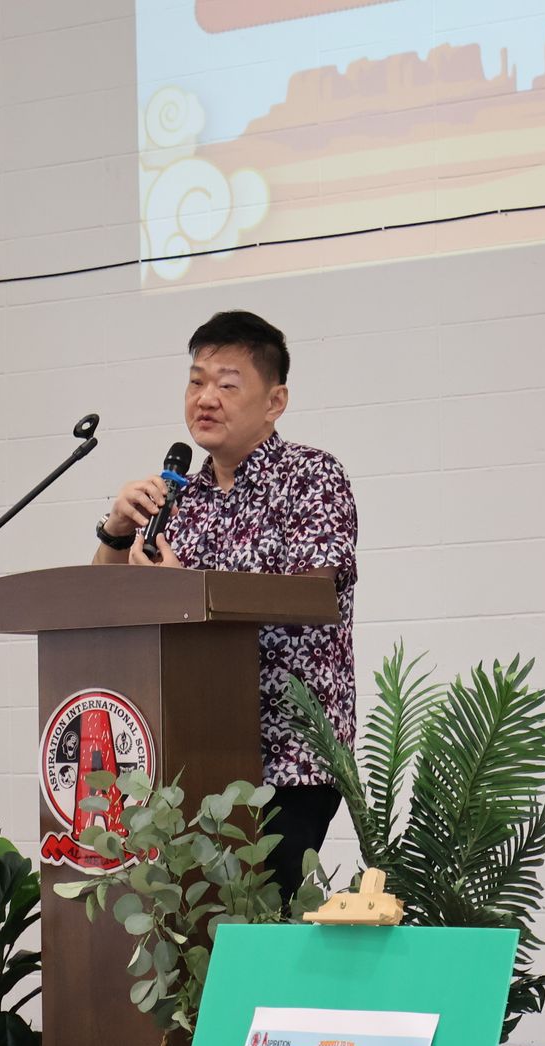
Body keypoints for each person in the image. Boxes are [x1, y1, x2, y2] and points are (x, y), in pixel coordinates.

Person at [93, 311, 357, 901]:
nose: (205, 398)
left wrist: (189, 588)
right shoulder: (179, 498)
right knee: (193, 935)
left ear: (275, 400)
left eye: (227, 384)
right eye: (195, 381)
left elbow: (314, 594)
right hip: (189, 751)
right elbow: (102, 604)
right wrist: (114, 532)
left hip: (289, 756)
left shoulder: (311, 477)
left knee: (264, 921)